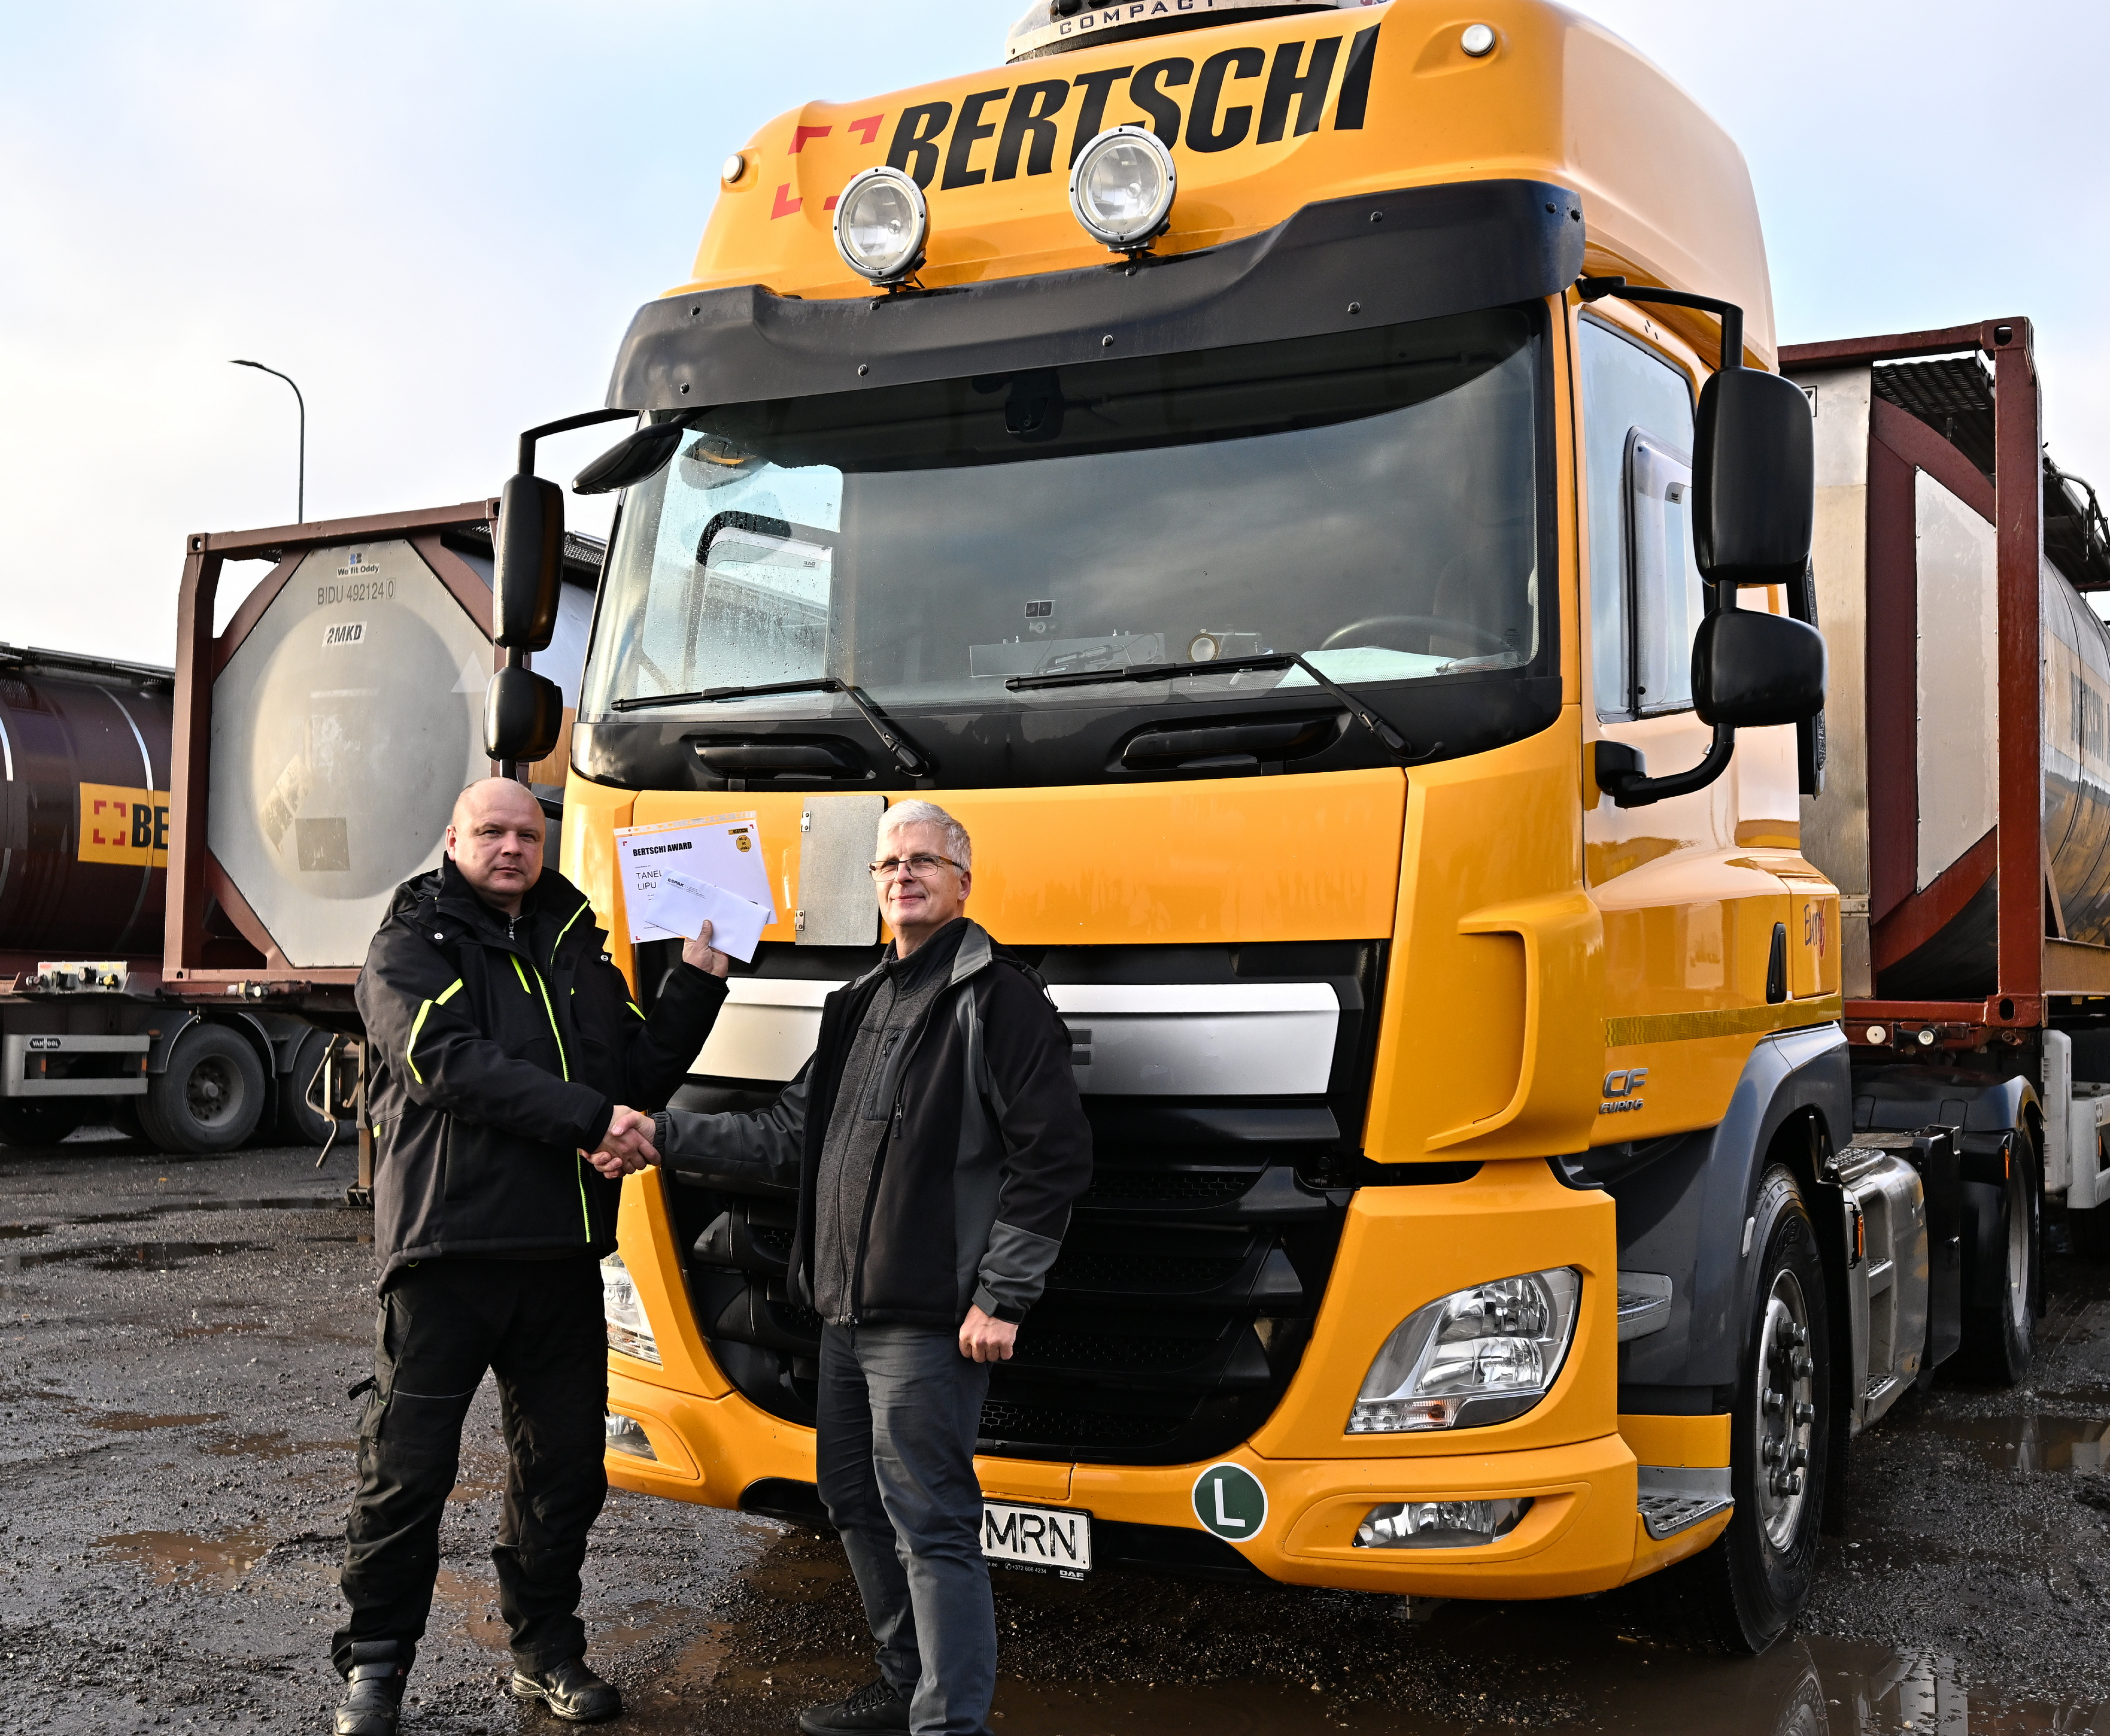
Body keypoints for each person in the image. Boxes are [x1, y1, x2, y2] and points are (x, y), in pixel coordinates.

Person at [626, 801, 1091, 1736]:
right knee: (849, 1492)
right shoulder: (860, 1004)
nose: (903, 875)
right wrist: (657, 1133)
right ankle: (902, 1681)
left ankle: (948, 1722)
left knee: (933, 1523)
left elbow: (1055, 1158)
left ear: (964, 881)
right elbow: (787, 1135)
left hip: (929, 1319)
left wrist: (1003, 1295)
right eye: (888, 864)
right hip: (842, 1310)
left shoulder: (1000, 1001)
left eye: (925, 861)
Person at [331, 777, 728, 1734]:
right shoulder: (410, 946)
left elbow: (637, 1073)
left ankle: (545, 1650)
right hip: (447, 1258)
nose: (512, 847)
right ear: (454, 838)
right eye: (493, 832)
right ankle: (375, 1671)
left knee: (564, 1475)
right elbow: (452, 1065)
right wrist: (593, 1120)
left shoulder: (577, 951)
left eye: (527, 833)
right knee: (406, 1473)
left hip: (559, 1258)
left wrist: (702, 974)